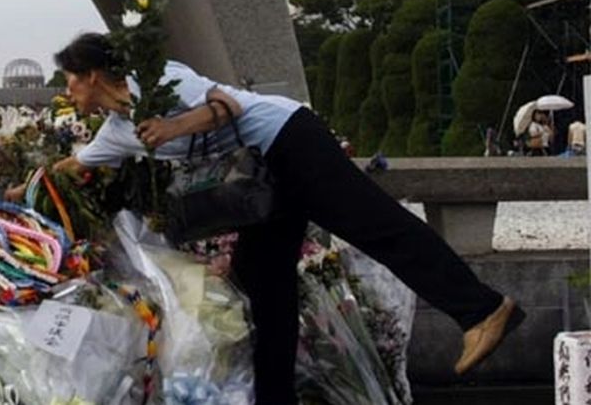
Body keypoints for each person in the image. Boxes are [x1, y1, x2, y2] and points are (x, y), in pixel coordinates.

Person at [46, 33, 523, 404]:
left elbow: (224, 105)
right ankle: (275, 396)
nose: (68, 90)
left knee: (374, 225)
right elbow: (80, 163)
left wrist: (172, 125)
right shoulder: (116, 130)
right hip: (265, 174)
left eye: (69, 79)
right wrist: (30, 181)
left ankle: (481, 310)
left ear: (90, 74)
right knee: (262, 277)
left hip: (290, 138)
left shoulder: (156, 77)